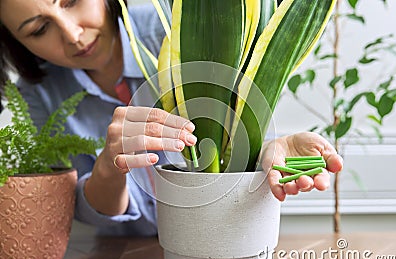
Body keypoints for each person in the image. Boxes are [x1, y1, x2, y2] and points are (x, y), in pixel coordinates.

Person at [0, 0, 343, 236]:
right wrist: (108, 166)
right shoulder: (39, 97)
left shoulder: (181, 29)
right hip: (130, 254)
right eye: (39, 29)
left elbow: (231, 133)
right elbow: (89, 212)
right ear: (17, 43)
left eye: (72, 0)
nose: (73, 34)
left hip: (226, 239)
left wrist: (267, 149)